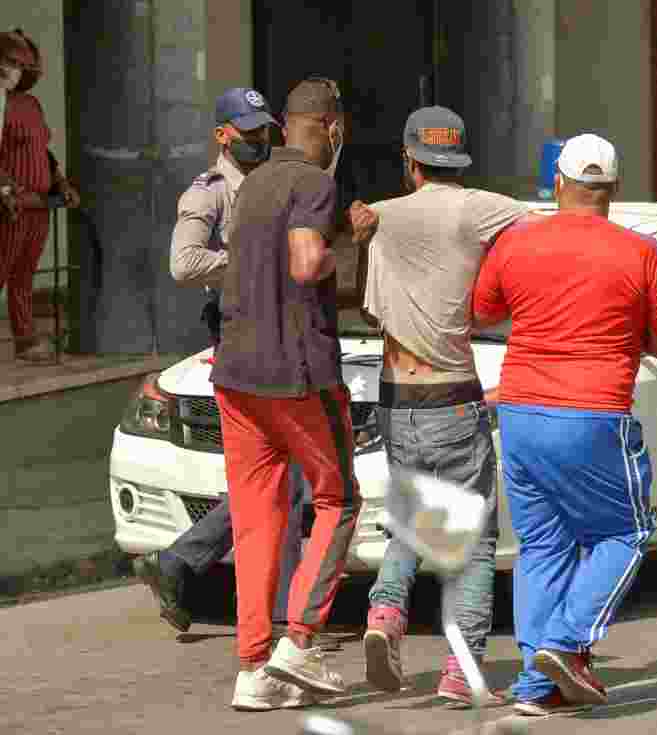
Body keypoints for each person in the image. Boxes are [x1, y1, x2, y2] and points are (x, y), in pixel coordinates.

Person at [472, 133, 657, 715]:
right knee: (625, 532)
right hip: (594, 414)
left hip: (520, 412)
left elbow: (483, 311)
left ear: (558, 183)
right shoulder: (642, 252)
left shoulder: (516, 241)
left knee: (543, 544)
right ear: (613, 189)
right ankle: (566, 644)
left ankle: (536, 686)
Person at [359, 106, 539, 707]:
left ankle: (385, 613)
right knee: (475, 539)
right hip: (452, 394)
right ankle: (461, 672)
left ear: (408, 161)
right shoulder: (477, 208)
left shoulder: (378, 216)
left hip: (395, 395)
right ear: (458, 161)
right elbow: (544, 230)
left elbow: (365, 303)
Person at [210, 77, 377, 711]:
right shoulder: (314, 183)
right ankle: (300, 642)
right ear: (334, 129)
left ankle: (254, 667)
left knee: (257, 520)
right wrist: (346, 244)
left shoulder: (251, 185)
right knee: (339, 499)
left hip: (235, 376)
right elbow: (307, 263)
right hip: (298, 375)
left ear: (283, 126)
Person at [133, 86, 311, 636]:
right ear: (222, 135)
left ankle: (183, 562)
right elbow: (183, 263)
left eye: (264, 131)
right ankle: (272, 609)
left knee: (277, 471)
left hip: (275, 331)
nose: (258, 140)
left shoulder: (272, 180)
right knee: (284, 472)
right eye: (248, 132)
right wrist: (247, 261)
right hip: (239, 333)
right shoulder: (210, 192)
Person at [0, 29, 79, 363]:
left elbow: (42, 151)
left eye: (20, 65)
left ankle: (25, 339)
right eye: (10, 63)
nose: (14, 70)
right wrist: (5, 189)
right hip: (11, 207)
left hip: (40, 205)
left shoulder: (30, 105)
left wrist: (60, 182)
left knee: (24, 275)